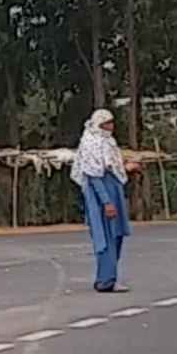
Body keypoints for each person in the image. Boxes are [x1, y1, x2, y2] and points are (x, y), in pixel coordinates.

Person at [70, 110, 138, 293]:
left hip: (113, 188)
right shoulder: (90, 143)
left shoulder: (108, 142)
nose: (110, 126)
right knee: (105, 237)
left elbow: (110, 165)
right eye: (106, 123)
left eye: (111, 122)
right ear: (98, 124)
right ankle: (105, 280)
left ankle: (110, 276)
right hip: (102, 194)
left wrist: (124, 168)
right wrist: (106, 202)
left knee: (116, 235)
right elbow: (93, 175)